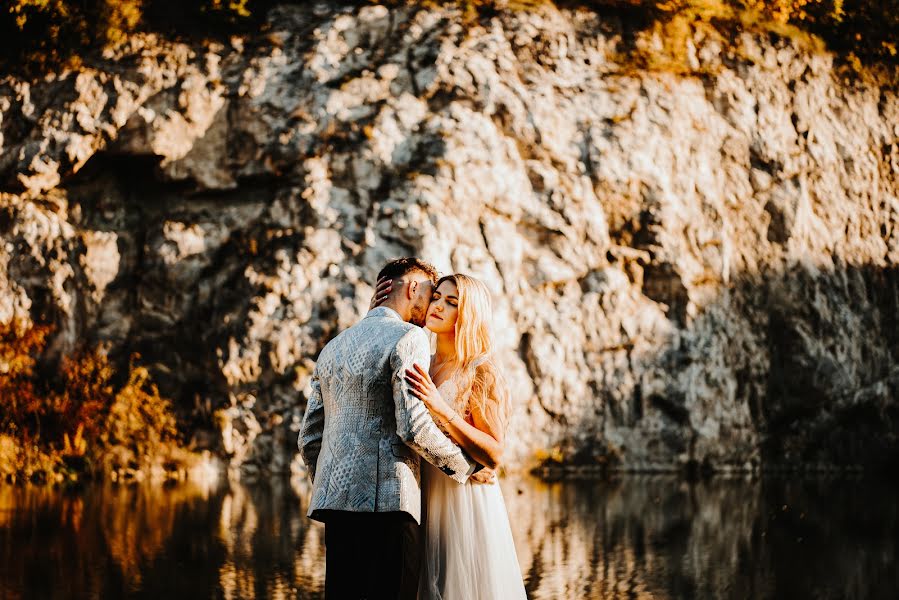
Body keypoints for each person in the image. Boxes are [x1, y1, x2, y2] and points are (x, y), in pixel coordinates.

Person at [298, 258, 478, 600]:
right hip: (389, 507)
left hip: (336, 508)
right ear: (412, 288)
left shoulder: (333, 346)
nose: (432, 306)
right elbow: (412, 426)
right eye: (429, 294)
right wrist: (464, 465)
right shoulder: (409, 337)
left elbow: (309, 439)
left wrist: (334, 483)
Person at [374, 273, 528, 600]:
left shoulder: (479, 370)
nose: (438, 306)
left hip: (463, 500)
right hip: (422, 494)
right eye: (437, 297)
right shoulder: (421, 362)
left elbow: (494, 453)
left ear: (467, 314)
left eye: (451, 302)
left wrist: (442, 408)